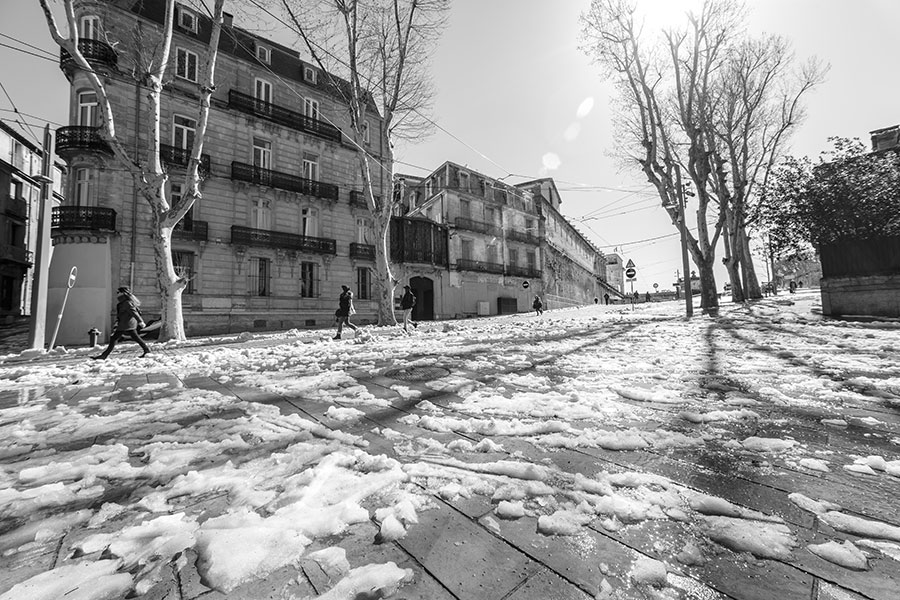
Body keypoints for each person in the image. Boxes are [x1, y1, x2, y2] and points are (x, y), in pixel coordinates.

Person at [92, 287, 151, 359]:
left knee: (114, 338)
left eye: (118, 292)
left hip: (126, 324)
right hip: (126, 324)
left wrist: (140, 321)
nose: (117, 294)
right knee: (135, 338)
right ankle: (147, 350)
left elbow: (134, 313)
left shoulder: (127, 303)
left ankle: (104, 355)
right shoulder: (124, 302)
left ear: (123, 293)